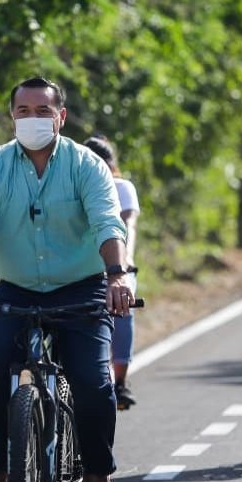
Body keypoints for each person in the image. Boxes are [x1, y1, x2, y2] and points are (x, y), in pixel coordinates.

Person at [0, 76, 133, 482]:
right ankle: (1, 472)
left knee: (93, 381)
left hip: (82, 287)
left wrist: (116, 276)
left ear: (61, 116)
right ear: (12, 117)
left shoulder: (86, 165)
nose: (32, 119)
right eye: (23, 111)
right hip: (17, 288)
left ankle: (97, 474)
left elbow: (107, 223)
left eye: (43, 111)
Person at [84, 135, 141, 409]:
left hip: (117, 264)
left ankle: (120, 381)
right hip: (84, 267)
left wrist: (123, 261)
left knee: (122, 308)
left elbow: (127, 225)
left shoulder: (122, 188)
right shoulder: (76, 185)